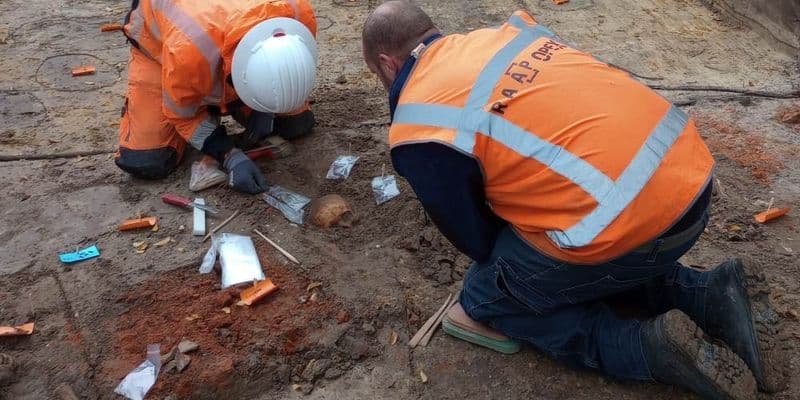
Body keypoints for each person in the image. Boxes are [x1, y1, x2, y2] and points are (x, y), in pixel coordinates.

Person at [362, 2, 787, 399]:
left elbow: (477, 240)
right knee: (590, 241)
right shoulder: (509, 34)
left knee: (489, 294)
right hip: (690, 184)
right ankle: (712, 293)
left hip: (631, 227)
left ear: (387, 64)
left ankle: (645, 348)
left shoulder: (419, 124)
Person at [115, 0, 318, 194]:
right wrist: (228, 155)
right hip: (162, 53)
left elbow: (282, 73)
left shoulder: (299, 15)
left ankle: (224, 100)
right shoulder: (189, 54)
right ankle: (205, 105)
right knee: (148, 161)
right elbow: (184, 116)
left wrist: (266, 111)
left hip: (217, 45)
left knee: (295, 124)